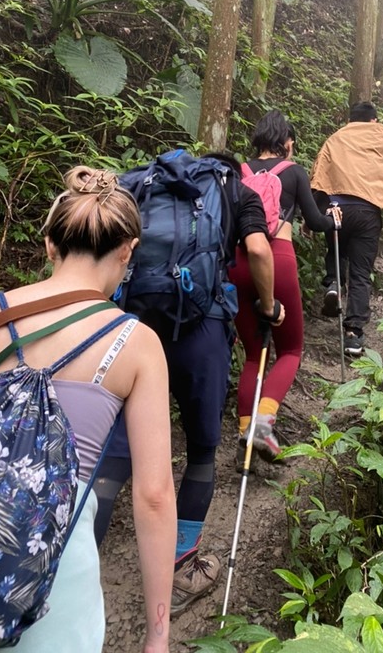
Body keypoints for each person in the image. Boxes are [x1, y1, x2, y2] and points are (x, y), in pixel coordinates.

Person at [94, 153, 284, 616]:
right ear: (233, 169)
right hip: (200, 331)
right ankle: (181, 567)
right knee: (201, 449)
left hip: (133, 325)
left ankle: (71, 571)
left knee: (114, 451)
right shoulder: (236, 190)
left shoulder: (142, 183)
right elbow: (258, 250)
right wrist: (267, 306)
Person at [0, 166, 176, 653]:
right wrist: (158, 633)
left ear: (51, 245)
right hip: (56, 578)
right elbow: (154, 495)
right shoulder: (135, 344)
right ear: (128, 250)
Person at [229, 110, 339, 460]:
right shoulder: (293, 172)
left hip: (237, 261)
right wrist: (332, 220)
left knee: (252, 354)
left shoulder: (236, 171)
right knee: (290, 350)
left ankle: (246, 430)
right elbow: (315, 222)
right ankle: (263, 425)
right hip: (277, 258)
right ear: (287, 142)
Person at [311, 102, 383, 357]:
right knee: (361, 273)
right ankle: (353, 335)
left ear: (351, 120)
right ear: (373, 120)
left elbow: (319, 172)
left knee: (336, 250)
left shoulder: (336, 138)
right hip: (366, 213)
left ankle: (333, 283)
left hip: (335, 208)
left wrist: (313, 212)